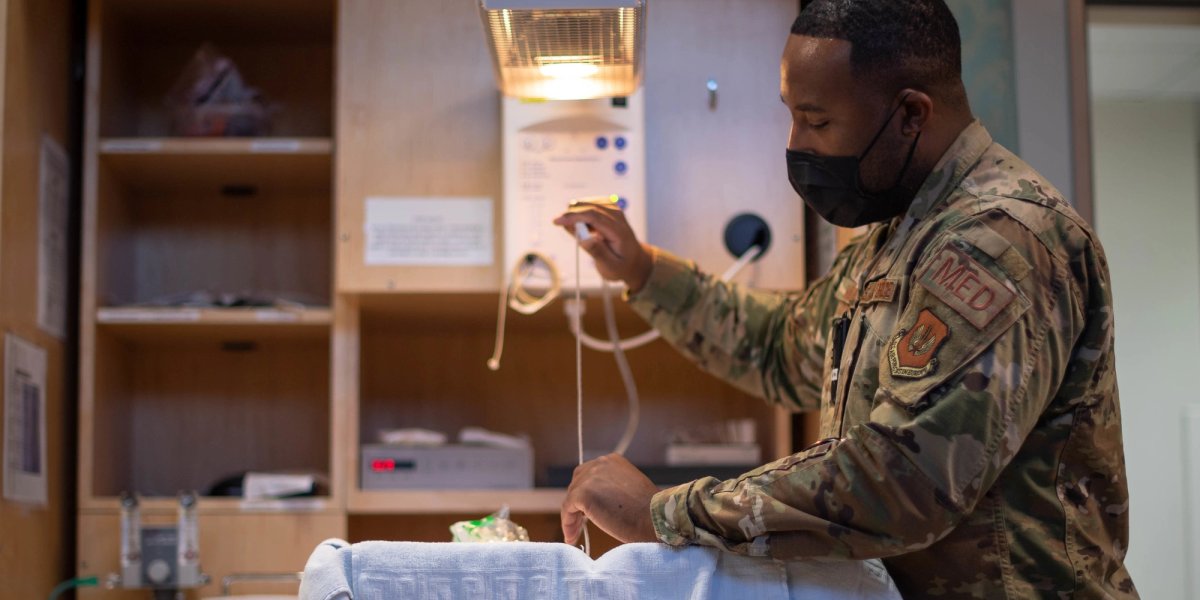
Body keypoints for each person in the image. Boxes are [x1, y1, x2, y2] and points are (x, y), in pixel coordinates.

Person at [552, 0, 1138, 597]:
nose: (796, 144)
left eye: (818, 122)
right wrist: (646, 272)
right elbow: (783, 348)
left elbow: (903, 479)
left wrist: (664, 512)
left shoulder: (999, 238)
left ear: (911, 113)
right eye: (792, 116)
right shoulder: (898, 234)